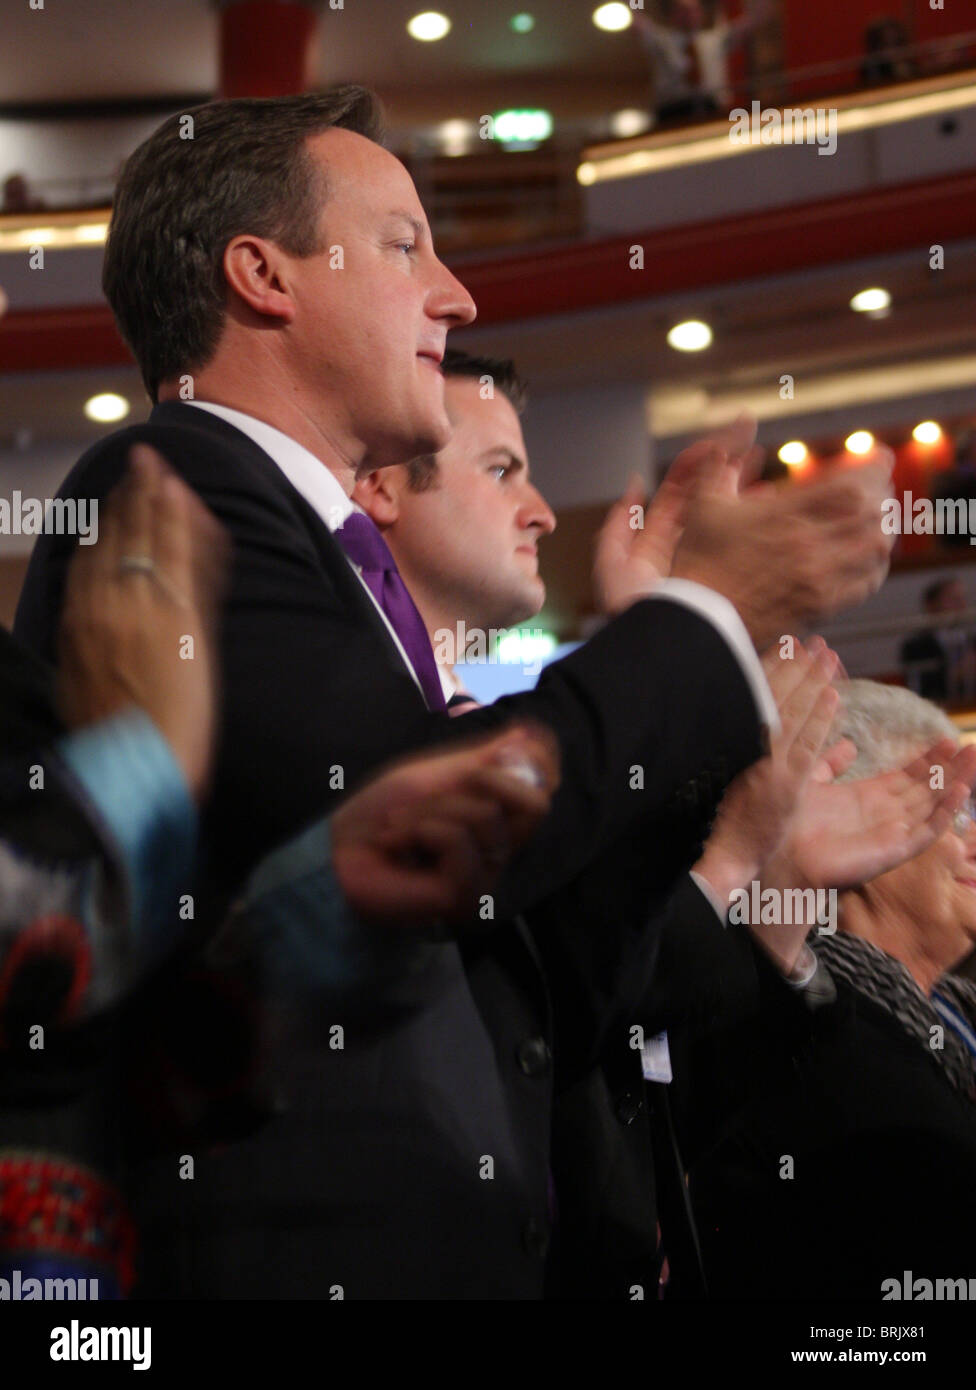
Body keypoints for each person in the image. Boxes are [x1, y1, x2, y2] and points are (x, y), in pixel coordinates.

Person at [15, 86, 897, 1298]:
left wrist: (696, 759)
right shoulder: (171, 482)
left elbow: (547, 982)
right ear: (263, 276)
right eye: (404, 244)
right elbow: (401, 834)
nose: (457, 293)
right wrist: (699, 626)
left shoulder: (316, 551)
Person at [671, 679, 976, 1298]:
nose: (974, 842)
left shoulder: (949, 1013)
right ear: (846, 823)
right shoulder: (791, 1030)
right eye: (953, 813)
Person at [632, 0, 771, 126]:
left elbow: (756, 18)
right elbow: (635, 17)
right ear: (671, 14)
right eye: (682, 11)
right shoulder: (661, 40)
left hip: (713, 109)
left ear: (701, 13)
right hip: (672, 112)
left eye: (693, 10)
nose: (688, 15)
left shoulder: (715, 40)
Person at [901, 576, 976, 703]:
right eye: (953, 600)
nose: (961, 605)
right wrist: (954, 674)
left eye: (962, 599)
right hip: (938, 706)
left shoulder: (972, 640)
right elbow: (918, 685)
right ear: (931, 605)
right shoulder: (916, 645)